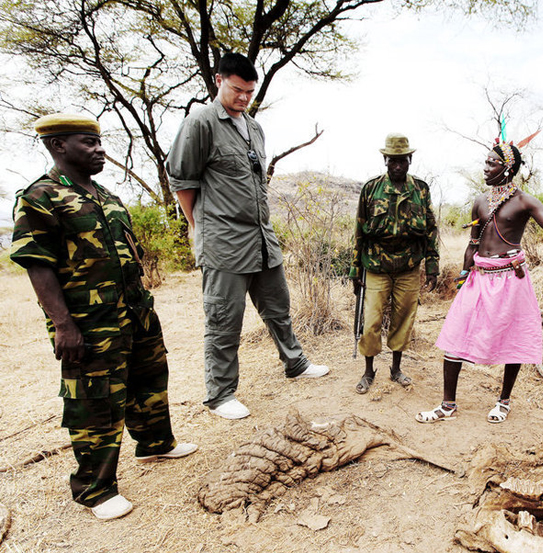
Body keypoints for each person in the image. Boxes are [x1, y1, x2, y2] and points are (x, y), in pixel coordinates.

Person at [10, 113, 198, 520]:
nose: (100, 150)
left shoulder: (107, 196)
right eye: (88, 143)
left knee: (149, 378)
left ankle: (155, 444)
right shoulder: (41, 196)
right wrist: (63, 324)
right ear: (58, 146)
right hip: (88, 321)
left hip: (135, 312)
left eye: (99, 142)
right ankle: (95, 488)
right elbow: (37, 264)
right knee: (95, 399)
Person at [165, 52, 329, 420]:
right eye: (237, 90)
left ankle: (295, 363)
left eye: (249, 92)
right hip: (224, 242)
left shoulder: (253, 127)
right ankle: (221, 395)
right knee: (224, 318)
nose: (243, 98)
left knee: (278, 306)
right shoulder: (200, 123)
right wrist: (199, 226)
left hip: (260, 238)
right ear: (219, 80)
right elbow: (182, 180)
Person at [416, 140, 543, 424]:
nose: (485, 167)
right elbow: (473, 244)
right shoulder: (479, 201)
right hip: (479, 277)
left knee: (515, 338)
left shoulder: (525, 201)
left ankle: (504, 401)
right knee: (456, 335)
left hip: (512, 278)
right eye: (485, 162)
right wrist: (463, 276)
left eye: (492, 163)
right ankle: (447, 405)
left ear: (508, 169)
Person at [349, 133, 439, 393]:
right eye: (392, 160)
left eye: (402, 160)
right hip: (376, 265)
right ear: (385, 160)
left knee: (403, 319)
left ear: (410, 160)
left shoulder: (420, 189)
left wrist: (432, 265)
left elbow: (431, 229)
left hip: (409, 267)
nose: (397, 165)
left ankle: (396, 369)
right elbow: (360, 231)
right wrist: (356, 268)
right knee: (371, 321)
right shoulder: (371, 189)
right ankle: (368, 372)